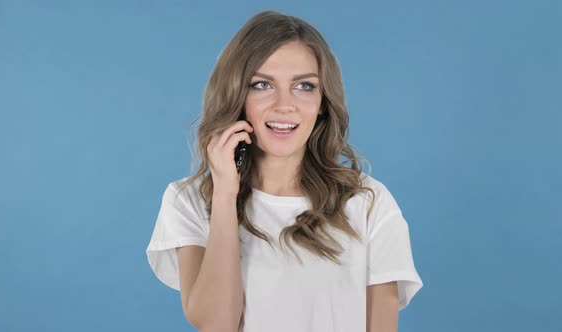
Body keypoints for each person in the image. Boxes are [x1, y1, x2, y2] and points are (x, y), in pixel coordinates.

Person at [145, 9, 423, 332]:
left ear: (322, 102)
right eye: (262, 84)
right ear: (238, 94)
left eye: (304, 86)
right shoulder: (189, 201)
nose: (284, 105)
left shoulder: (369, 204)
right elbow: (216, 325)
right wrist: (224, 195)